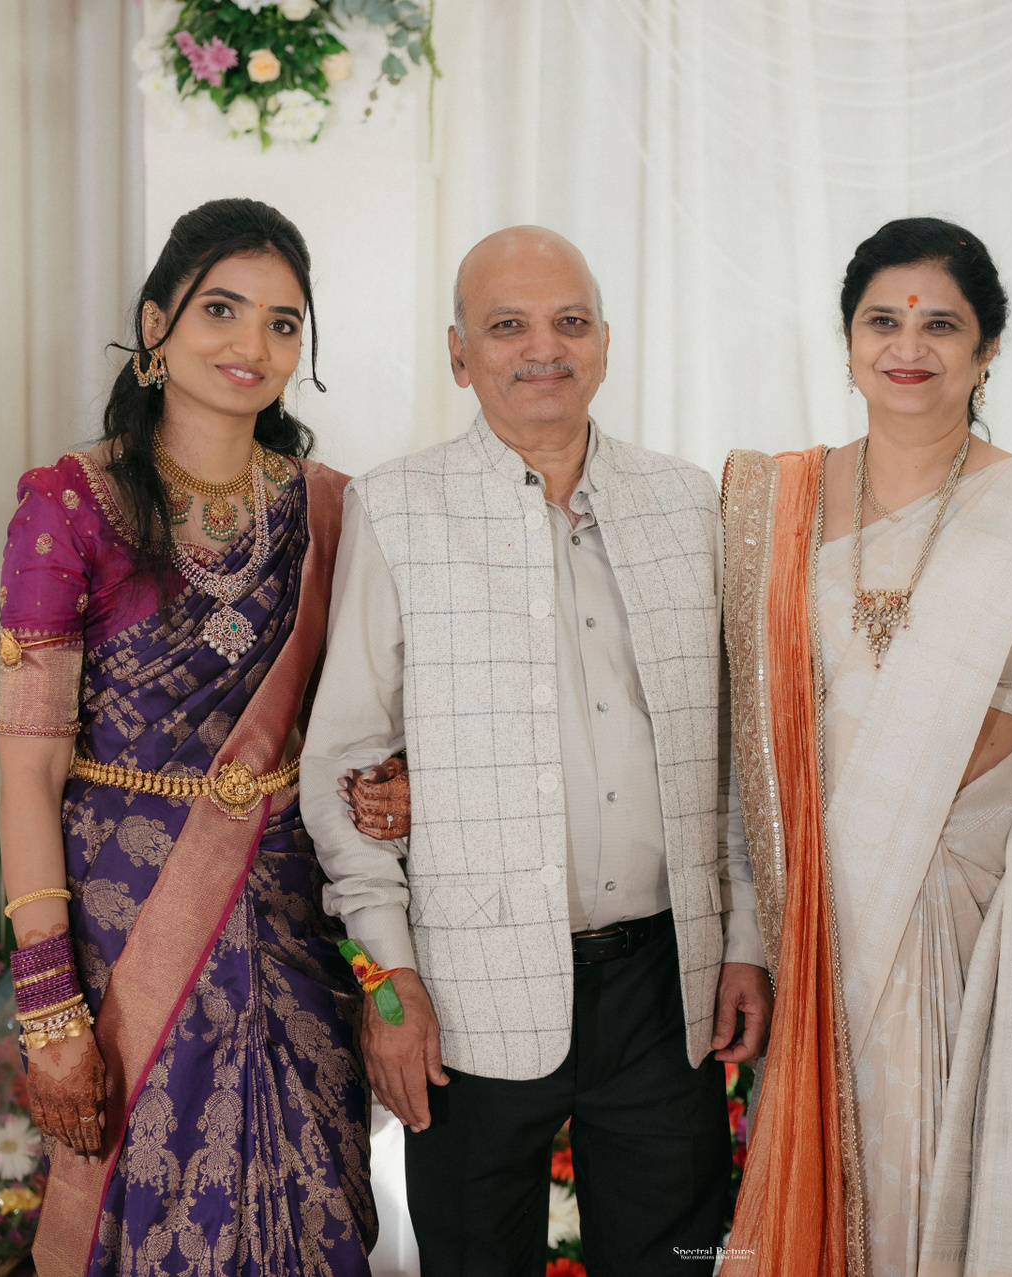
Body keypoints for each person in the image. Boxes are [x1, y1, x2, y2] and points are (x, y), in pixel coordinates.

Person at [298, 225, 773, 1276]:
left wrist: (746, 936)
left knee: (676, 1262)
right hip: (465, 986)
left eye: (569, 321)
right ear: (459, 353)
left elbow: (736, 753)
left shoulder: (691, 502)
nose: (543, 348)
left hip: (666, 983)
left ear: (605, 341)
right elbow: (342, 768)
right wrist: (390, 981)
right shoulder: (397, 507)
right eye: (508, 325)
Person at [719, 217, 1012, 1276]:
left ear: (987, 348)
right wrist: (751, 934)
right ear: (848, 341)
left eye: (942, 325)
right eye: (883, 321)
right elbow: (746, 749)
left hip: (977, 916)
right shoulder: (774, 505)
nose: (908, 345)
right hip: (819, 916)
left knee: (943, 1199)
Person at [0, 198, 373, 1275]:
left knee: (312, 1205)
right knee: (150, 1213)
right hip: (127, 924)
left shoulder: (332, 512)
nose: (253, 343)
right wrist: (48, 1006)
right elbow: (28, 768)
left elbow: (357, 723)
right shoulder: (68, 506)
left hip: (292, 919)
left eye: (284, 323)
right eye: (221, 309)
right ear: (155, 323)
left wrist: (387, 784)